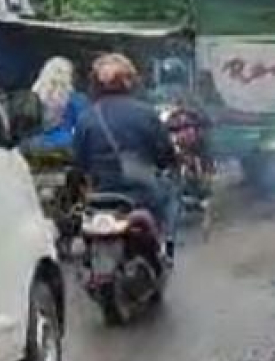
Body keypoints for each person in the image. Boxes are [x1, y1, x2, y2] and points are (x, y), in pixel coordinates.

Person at [75, 53, 179, 258]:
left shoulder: (86, 118)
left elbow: (80, 161)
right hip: (141, 193)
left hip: (100, 196)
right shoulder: (146, 113)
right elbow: (164, 155)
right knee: (172, 195)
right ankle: (166, 246)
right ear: (128, 81)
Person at [23, 56, 88, 154]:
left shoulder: (29, 98)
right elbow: (85, 128)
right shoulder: (77, 100)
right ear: (70, 75)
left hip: (33, 146)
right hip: (64, 148)